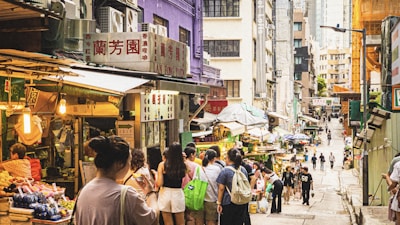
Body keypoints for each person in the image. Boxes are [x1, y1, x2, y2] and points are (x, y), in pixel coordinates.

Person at [75, 136, 157, 225]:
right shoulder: (126, 195)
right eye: (129, 161)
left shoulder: (83, 192)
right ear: (120, 164)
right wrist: (150, 194)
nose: (130, 166)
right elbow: (153, 220)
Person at [157, 142, 188, 225]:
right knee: (180, 222)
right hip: (178, 194)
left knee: (168, 222)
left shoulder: (162, 165)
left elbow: (159, 183)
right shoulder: (184, 165)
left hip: (165, 194)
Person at [216, 148, 248, 225]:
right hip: (241, 201)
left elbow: (221, 188)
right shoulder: (243, 170)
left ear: (229, 158)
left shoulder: (225, 171)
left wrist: (219, 203)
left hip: (228, 202)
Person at [192, 149, 222, 225]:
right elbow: (219, 185)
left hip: (199, 199)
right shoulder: (217, 169)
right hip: (212, 199)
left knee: (199, 221)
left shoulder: (198, 168)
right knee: (211, 221)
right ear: (214, 158)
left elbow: (194, 182)